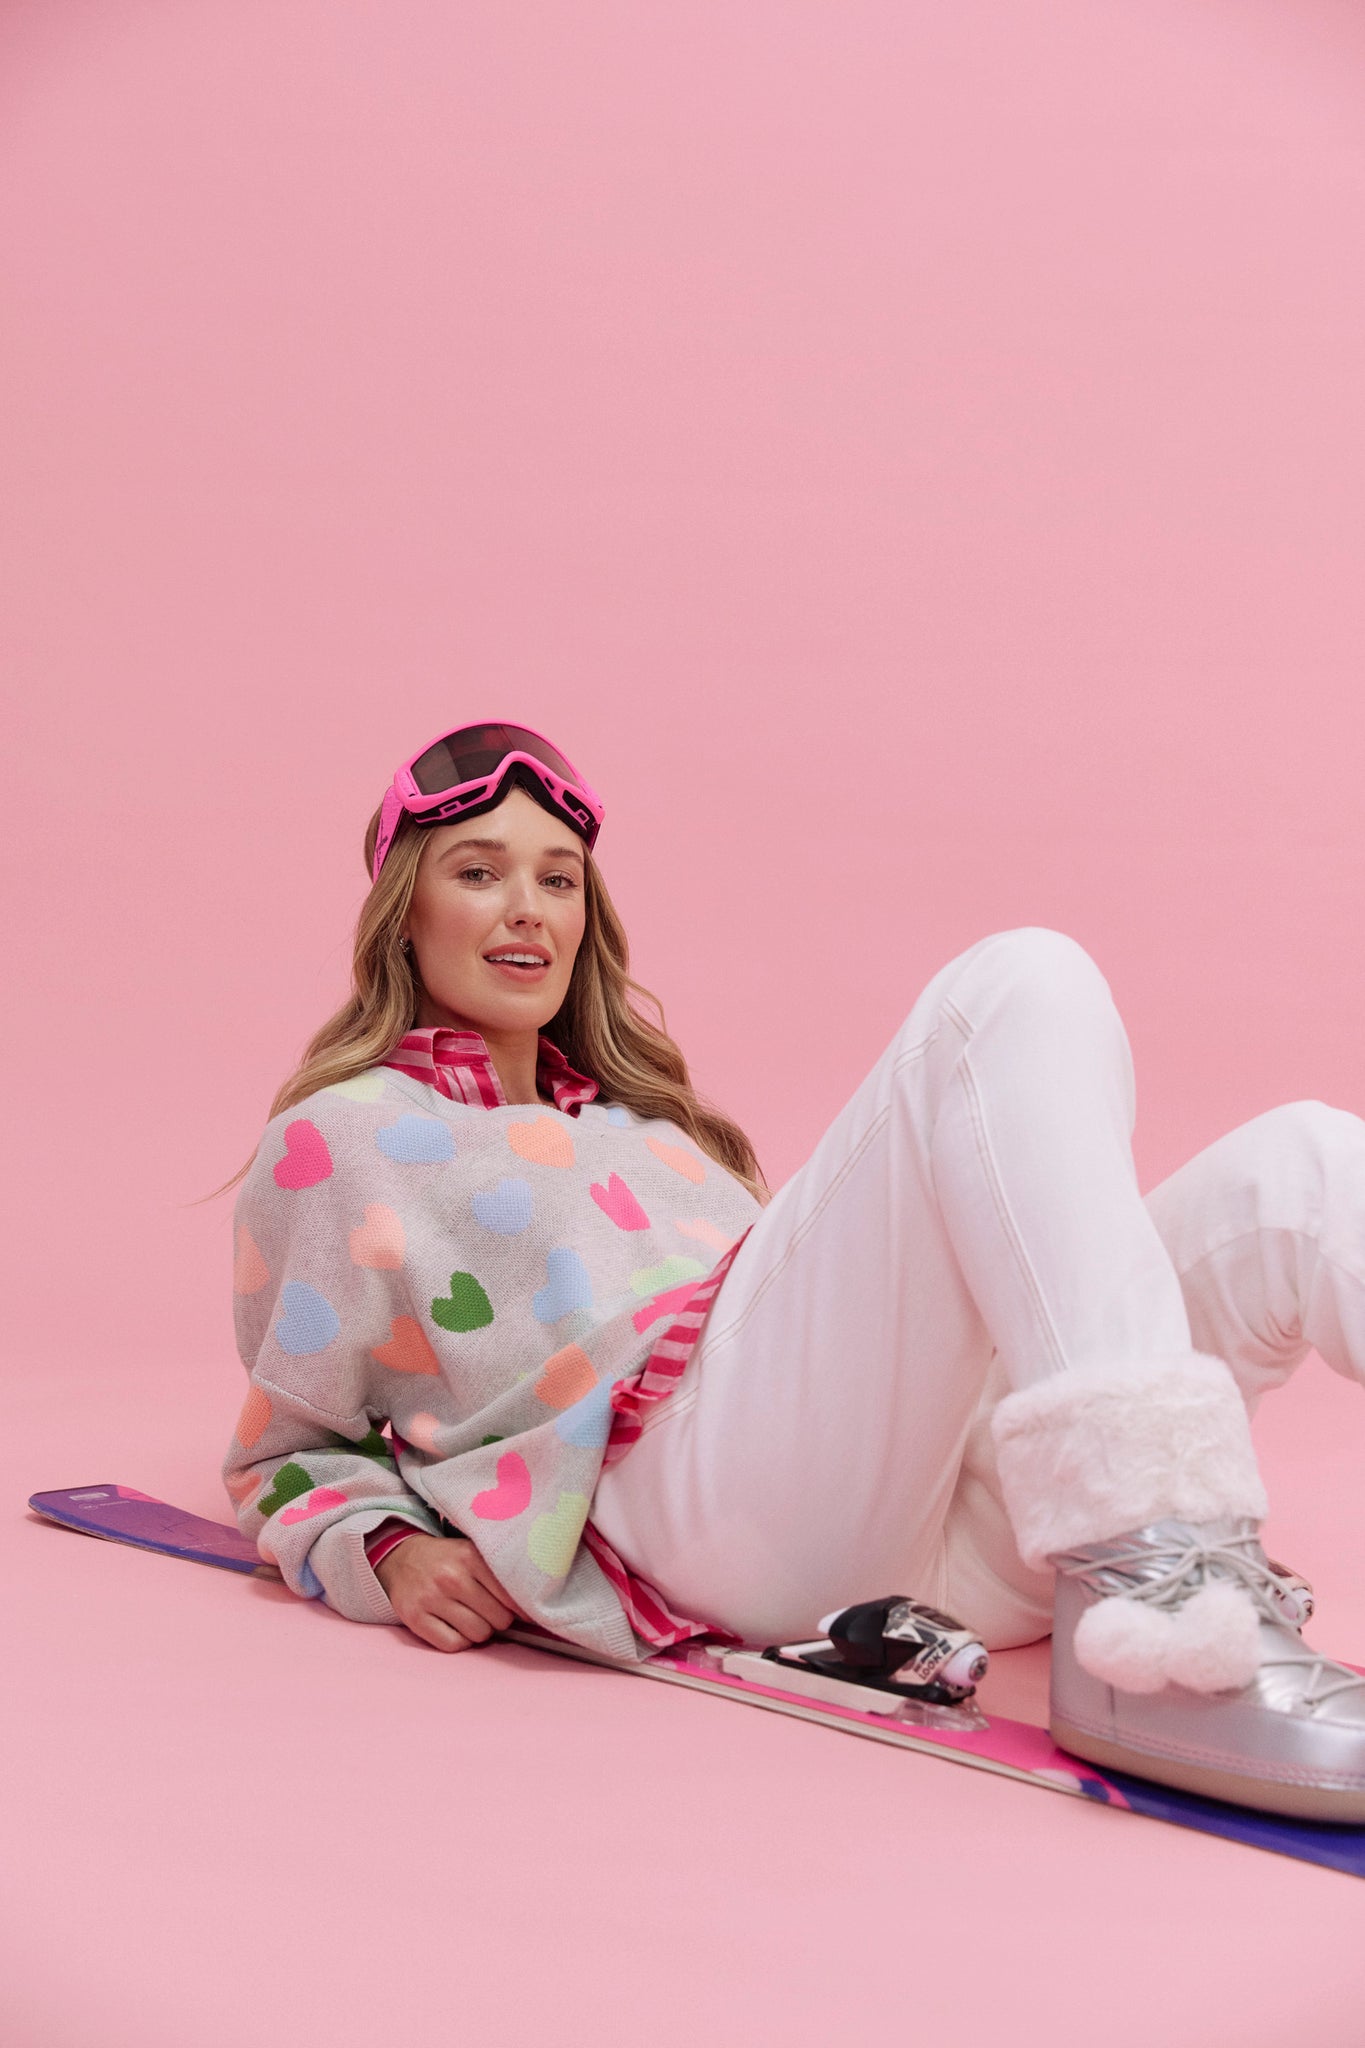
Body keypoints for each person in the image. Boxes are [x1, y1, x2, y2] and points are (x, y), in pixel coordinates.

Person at [225, 721, 1365, 1822]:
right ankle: (1160, 1610)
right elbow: (286, 1445)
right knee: (1021, 983)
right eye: (479, 872)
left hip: (929, 1523)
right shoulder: (343, 1138)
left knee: (1302, 1165)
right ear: (403, 912)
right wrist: (387, 1545)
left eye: (559, 879)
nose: (529, 906)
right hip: (689, 1511)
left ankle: (1142, 1571)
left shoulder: (654, 1128)